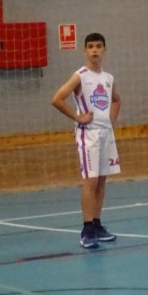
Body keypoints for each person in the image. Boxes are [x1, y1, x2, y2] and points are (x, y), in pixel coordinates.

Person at [52, 32, 122, 249]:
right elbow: (57, 99)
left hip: (105, 133)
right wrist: (78, 117)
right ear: (85, 50)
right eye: (90, 46)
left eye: (98, 46)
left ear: (104, 50)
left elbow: (116, 100)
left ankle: (97, 224)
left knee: (101, 180)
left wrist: (110, 120)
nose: (94, 50)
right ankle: (87, 228)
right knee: (90, 181)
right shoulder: (80, 76)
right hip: (88, 133)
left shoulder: (108, 78)